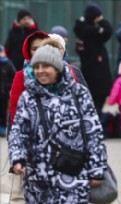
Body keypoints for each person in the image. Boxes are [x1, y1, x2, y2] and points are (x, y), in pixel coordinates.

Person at [8, 44, 107, 203]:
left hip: (73, 177)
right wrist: (17, 158)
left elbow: (93, 133)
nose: (40, 70)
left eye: (46, 66)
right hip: (38, 182)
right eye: (37, 66)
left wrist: (96, 169)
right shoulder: (29, 97)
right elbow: (18, 132)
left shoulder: (79, 94)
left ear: (57, 67)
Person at [9, 31, 87, 125]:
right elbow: (16, 110)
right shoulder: (22, 77)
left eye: (42, 47)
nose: (39, 51)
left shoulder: (68, 72)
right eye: (34, 48)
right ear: (28, 50)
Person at [73, 2, 113, 119]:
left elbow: (107, 31)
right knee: (94, 101)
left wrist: (100, 21)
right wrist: (100, 23)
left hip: (97, 71)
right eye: (97, 17)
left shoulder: (86, 29)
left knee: (97, 102)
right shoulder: (88, 30)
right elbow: (106, 31)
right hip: (93, 72)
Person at [0, 44, 16, 136]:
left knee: (3, 111)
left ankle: (2, 129)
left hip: (4, 93)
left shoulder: (8, 64)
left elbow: (14, 78)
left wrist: (6, 87)